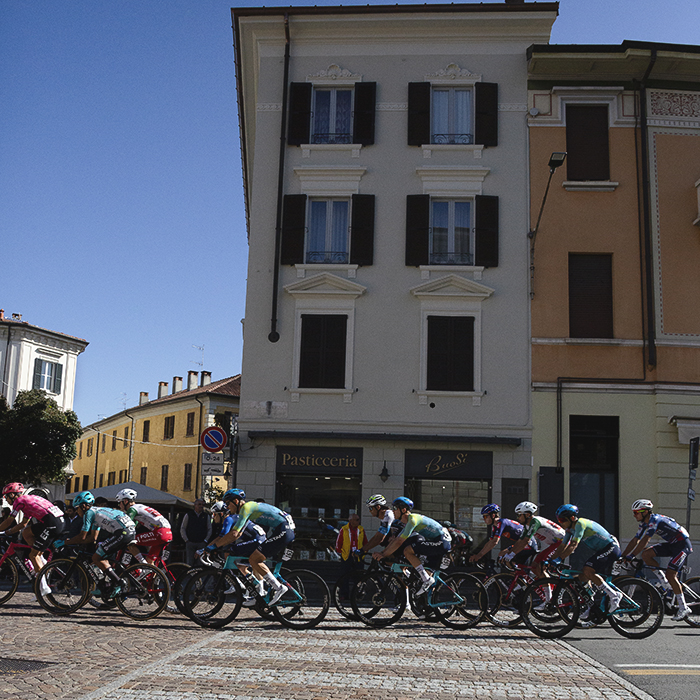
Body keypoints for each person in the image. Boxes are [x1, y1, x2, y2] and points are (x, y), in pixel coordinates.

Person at [206, 488, 295, 605]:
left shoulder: (246, 508)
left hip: (284, 530)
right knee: (252, 558)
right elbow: (238, 534)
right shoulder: (247, 509)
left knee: (255, 559)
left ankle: (278, 587)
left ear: (236, 501)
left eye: (228, 503)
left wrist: (214, 546)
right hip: (284, 528)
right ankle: (258, 592)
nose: (227, 507)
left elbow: (234, 534)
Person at [620, 499, 693, 621]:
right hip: (672, 544)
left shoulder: (655, 520)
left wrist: (632, 556)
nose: (634, 515)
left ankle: (683, 607)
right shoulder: (644, 523)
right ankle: (664, 582)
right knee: (646, 554)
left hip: (682, 546)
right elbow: (635, 540)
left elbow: (645, 540)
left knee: (671, 575)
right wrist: (623, 556)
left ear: (645, 512)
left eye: (636, 512)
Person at [61, 491, 137, 600]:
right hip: (128, 531)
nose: (76, 512)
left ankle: (120, 582)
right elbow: (92, 538)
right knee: (100, 556)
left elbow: (82, 536)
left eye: (76, 508)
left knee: (96, 557)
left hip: (122, 532)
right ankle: (108, 584)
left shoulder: (89, 513)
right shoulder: (97, 513)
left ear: (83, 506)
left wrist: (65, 542)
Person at [373, 497, 451, 597]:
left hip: (441, 542)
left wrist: (383, 554)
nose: (393, 511)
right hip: (439, 541)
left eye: (395, 508)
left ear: (403, 510)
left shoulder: (412, 520)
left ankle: (426, 579)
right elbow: (397, 540)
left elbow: (399, 542)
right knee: (426, 576)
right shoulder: (408, 522)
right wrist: (383, 553)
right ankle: (428, 605)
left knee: (407, 550)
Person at [554, 503, 622, 616]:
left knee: (588, 570)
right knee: (582, 577)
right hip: (602, 550)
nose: (560, 523)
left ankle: (614, 595)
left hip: (611, 547)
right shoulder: (570, 529)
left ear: (572, 518)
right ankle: (590, 605)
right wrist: (550, 559)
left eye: (562, 520)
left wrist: (559, 559)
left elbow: (573, 545)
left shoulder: (580, 523)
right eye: (558, 520)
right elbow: (562, 546)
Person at [0, 483, 65, 596]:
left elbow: (9, 521)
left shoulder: (19, 501)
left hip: (52, 524)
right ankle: (42, 562)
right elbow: (23, 524)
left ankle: (43, 588)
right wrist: (6, 532)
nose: (5, 499)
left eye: (6, 496)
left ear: (12, 495)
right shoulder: (27, 501)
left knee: (33, 555)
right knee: (27, 532)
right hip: (55, 521)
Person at [506, 501, 565, 581]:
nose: (517, 518)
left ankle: (550, 592)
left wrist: (512, 554)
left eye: (519, 515)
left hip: (562, 543)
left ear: (527, 515)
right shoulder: (527, 525)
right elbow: (520, 541)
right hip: (554, 544)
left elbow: (526, 541)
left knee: (540, 567)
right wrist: (509, 554)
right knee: (534, 567)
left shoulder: (535, 521)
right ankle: (546, 590)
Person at [115, 488, 173, 564]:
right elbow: (133, 527)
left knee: (129, 542)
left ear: (125, 501)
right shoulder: (140, 507)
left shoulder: (132, 509)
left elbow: (126, 525)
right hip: (168, 533)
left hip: (160, 532)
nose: (119, 505)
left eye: (119, 503)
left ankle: (143, 564)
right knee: (150, 562)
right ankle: (153, 573)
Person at [469, 503, 533, 566]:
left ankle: (519, 575)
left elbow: (494, 542)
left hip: (528, 544)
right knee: (501, 554)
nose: (484, 519)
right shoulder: (496, 526)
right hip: (522, 544)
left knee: (506, 559)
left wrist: (479, 556)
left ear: (493, 515)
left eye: (485, 516)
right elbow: (490, 541)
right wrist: (479, 555)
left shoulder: (501, 522)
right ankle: (517, 574)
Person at [180, 498, 212, 565]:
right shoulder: (188, 515)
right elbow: (183, 528)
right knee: (189, 563)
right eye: (199, 504)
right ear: (195, 505)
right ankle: (190, 575)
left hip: (201, 543)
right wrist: (186, 540)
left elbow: (209, 529)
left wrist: (205, 540)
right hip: (190, 543)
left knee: (200, 563)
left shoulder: (206, 516)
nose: (201, 506)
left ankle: (199, 575)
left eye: (202, 504)